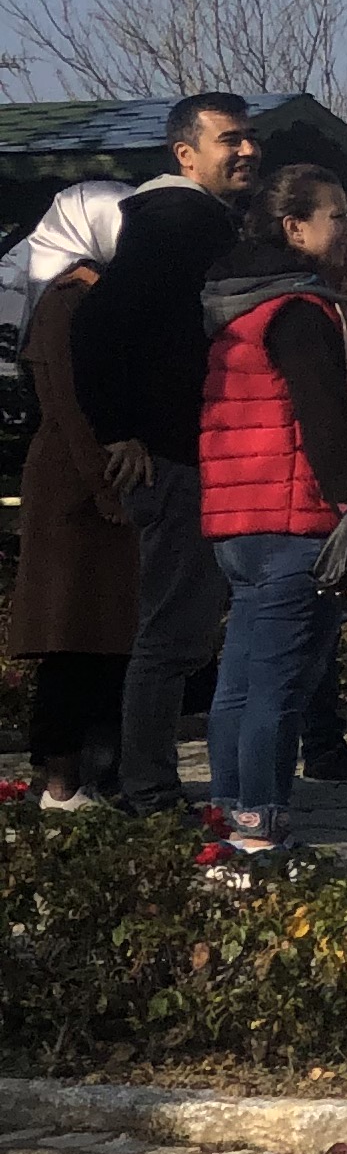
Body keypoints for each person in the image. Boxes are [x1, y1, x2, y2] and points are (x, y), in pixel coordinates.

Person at [73, 91, 258, 812]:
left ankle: (127, 774)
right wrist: (120, 428)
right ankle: (145, 786)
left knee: (175, 627)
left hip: (188, 451)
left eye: (249, 138)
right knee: (170, 629)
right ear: (186, 154)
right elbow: (95, 327)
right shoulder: (178, 222)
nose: (245, 150)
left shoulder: (196, 223)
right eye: (228, 141)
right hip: (176, 458)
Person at [193, 168, 347, 869]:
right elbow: (325, 422)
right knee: (280, 687)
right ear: (295, 228)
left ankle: (231, 820)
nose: (346, 229)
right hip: (296, 518)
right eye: (335, 215)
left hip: (236, 521)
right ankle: (261, 832)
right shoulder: (300, 312)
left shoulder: (236, 308)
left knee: (238, 683)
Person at [9, 183, 140, 807]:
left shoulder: (99, 296)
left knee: (104, 637)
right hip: (73, 487)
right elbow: (68, 404)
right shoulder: (65, 301)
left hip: (93, 480)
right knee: (70, 635)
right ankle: (61, 780)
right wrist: (102, 485)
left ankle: (94, 772)